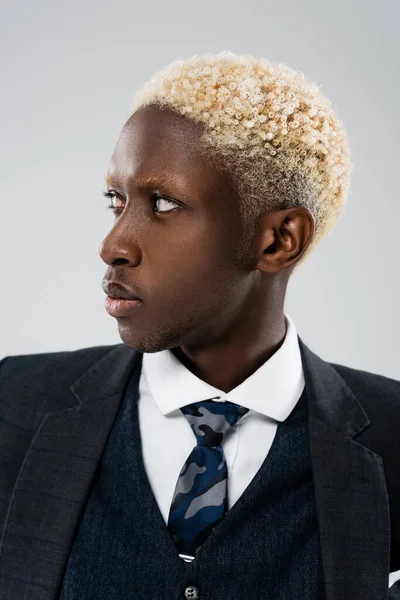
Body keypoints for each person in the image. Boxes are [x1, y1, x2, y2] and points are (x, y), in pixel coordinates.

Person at [0, 51, 399, 600]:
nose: (113, 245)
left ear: (279, 241)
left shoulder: (392, 434)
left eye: (163, 203)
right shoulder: (14, 406)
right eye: (116, 200)